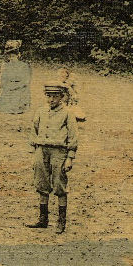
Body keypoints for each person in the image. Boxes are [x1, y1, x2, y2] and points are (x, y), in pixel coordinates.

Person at [26, 83, 78, 234]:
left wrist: (70, 157)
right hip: (41, 150)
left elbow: (73, 137)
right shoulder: (41, 111)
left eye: (55, 96)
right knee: (41, 183)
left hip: (59, 152)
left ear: (62, 97)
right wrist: (35, 151)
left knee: (59, 185)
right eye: (49, 96)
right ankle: (43, 219)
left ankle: (61, 222)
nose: (51, 99)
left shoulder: (67, 113)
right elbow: (33, 130)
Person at [0, 40, 31, 114]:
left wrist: (15, 86)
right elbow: (3, 79)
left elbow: (26, 81)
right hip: (9, 88)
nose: (11, 58)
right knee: (2, 103)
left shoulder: (24, 66)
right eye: (10, 57)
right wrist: (6, 85)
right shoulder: (6, 66)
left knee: (15, 106)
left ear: (18, 56)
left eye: (13, 56)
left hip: (20, 89)